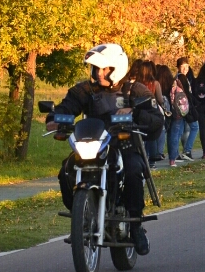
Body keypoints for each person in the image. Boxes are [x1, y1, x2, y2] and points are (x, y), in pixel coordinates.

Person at [51, 44, 165, 254]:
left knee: (132, 169)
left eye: (104, 68)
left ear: (116, 67)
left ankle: (135, 225)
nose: (98, 72)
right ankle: (81, 217)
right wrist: (55, 118)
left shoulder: (135, 90)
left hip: (125, 146)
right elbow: (66, 107)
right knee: (66, 170)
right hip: (93, 145)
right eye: (96, 68)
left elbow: (157, 120)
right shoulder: (85, 90)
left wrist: (136, 114)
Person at [128, 60, 165, 166]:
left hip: (137, 112)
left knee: (139, 136)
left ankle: (142, 158)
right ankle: (153, 158)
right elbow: (159, 99)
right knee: (152, 134)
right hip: (150, 112)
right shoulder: (154, 84)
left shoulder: (136, 85)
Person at [156, 64, 186, 165]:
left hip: (164, 111)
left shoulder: (157, 83)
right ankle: (172, 159)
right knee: (174, 134)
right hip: (176, 110)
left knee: (165, 132)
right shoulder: (173, 82)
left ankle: (159, 153)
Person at [174, 58, 200, 159]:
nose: (185, 69)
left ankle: (175, 154)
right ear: (178, 67)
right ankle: (187, 150)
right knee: (195, 127)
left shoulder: (177, 77)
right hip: (185, 107)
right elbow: (187, 95)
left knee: (179, 130)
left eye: (187, 66)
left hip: (179, 108)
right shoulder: (182, 78)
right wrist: (194, 104)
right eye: (183, 67)